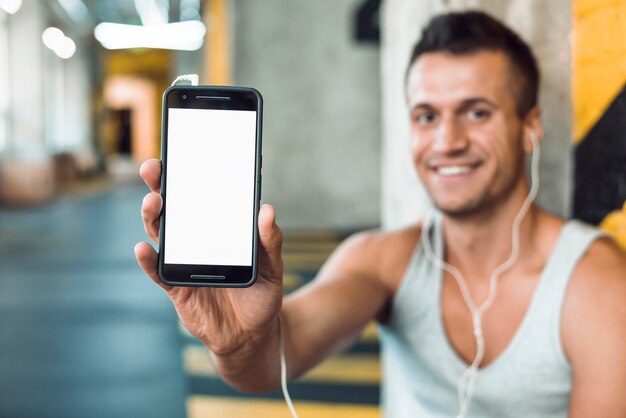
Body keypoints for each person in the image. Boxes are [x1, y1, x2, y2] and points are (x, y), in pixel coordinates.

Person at [134, 10, 626, 418]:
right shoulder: (383, 260)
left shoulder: (594, 283)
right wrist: (238, 342)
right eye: (426, 115)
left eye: (476, 112)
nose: (446, 141)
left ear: (530, 126)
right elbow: (265, 368)